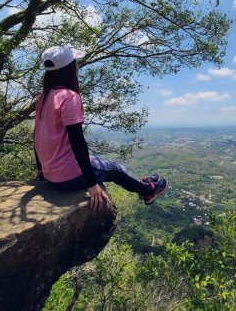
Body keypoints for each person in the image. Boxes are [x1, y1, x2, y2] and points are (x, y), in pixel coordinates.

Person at [34, 45, 168, 211]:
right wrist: (92, 184)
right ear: (70, 68)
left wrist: (41, 168)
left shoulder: (43, 98)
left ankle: (145, 185)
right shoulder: (69, 97)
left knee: (98, 161)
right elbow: (77, 142)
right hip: (69, 176)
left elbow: (37, 136)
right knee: (116, 169)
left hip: (51, 173)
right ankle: (149, 191)